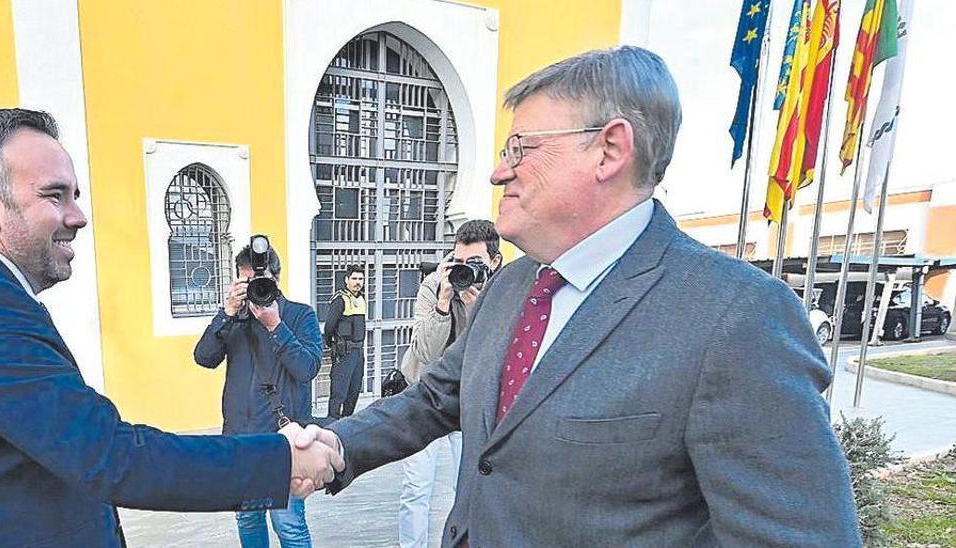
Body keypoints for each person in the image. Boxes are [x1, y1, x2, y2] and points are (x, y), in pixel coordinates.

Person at [295, 46, 860, 546]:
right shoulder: (513, 286)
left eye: (521, 149)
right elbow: (436, 399)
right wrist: (337, 446)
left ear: (610, 150)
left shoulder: (736, 317)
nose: (497, 172)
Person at [0, 108, 342, 547]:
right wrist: (280, 462)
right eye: (55, 195)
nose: (77, 216)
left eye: (76, 196)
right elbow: (110, 456)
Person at [194, 243, 322, 548]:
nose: (254, 288)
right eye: (246, 281)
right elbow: (203, 357)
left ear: (275, 278)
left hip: (284, 441)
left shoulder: (300, 315)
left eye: (260, 281)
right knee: (248, 519)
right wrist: (226, 313)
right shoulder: (234, 319)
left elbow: (308, 368)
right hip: (241, 438)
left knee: (288, 524)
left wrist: (275, 325)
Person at [397, 219, 501, 548]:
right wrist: (444, 299)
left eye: (474, 264)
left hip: (470, 401)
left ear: (494, 263)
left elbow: (493, 351)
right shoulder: (435, 284)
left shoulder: (502, 290)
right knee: (416, 489)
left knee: (469, 486)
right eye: (459, 262)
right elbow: (425, 350)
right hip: (426, 395)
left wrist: (474, 305)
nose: (464, 271)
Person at [322, 264, 366, 418]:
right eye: (354, 278)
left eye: (361, 278)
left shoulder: (361, 298)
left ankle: (347, 425)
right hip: (344, 353)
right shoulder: (340, 299)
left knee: (353, 392)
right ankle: (331, 425)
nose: (358, 282)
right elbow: (328, 327)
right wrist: (332, 345)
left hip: (358, 353)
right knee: (339, 393)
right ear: (347, 280)